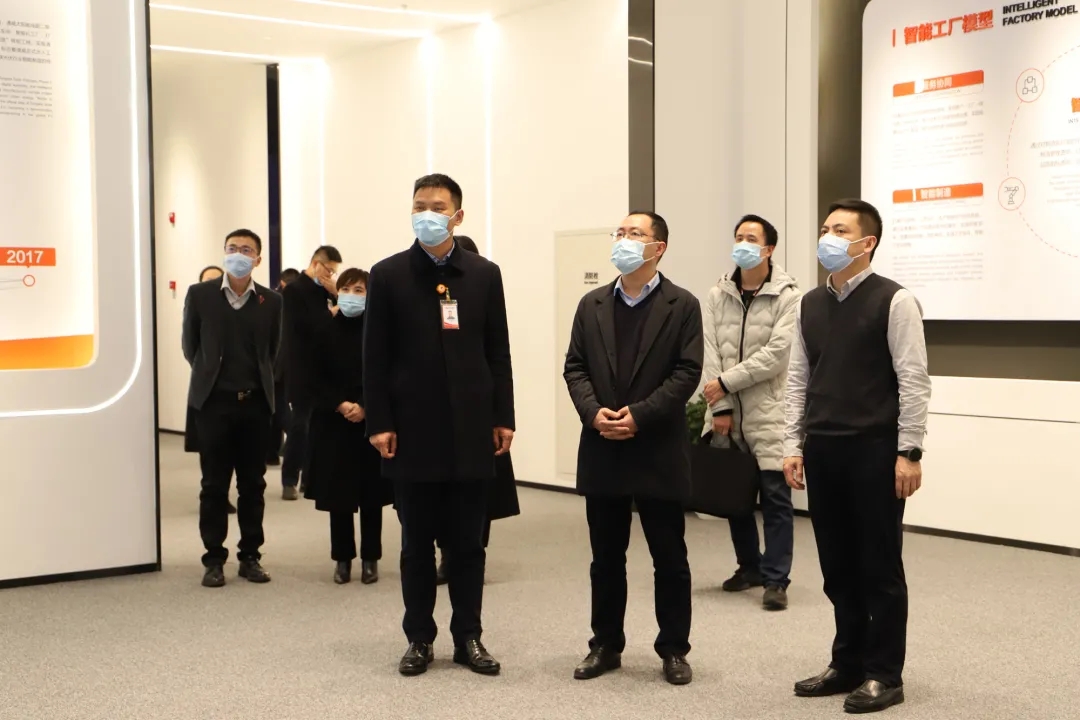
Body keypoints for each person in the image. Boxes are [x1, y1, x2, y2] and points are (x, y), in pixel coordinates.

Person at [363, 174, 515, 677]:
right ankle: (419, 639)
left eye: (438, 206)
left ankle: (469, 637)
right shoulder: (387, 275)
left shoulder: (484, 274)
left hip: (472, 429)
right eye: (419, 206)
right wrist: (379, 421)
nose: (427, 214)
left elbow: (498, 351)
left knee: (469, 544)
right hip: (411, 431)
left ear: (458, 216)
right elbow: (374, 358)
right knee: (416, 545)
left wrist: (503, 416)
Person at [783, 199, 930, 714]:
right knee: (837, 566)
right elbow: (798, 379)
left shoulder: (895, 300)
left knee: (879, 567)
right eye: (825, 228)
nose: (827, 236)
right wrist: (792, 444)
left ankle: (884, 673)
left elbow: (913, 380)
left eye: (840, 230)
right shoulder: (808, 305)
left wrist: (909, 451)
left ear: (867, 243)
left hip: (874, 450)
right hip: (823, 448)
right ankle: (846, 662)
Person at [563, 211, 703, 686]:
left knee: (670, 558)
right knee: (605, 558)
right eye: (620, 233)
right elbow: (575, 367)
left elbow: (687, 372)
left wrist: (639, 415)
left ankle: (674, 649)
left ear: (658, 247)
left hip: (657, 447)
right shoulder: (592, 303)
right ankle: (605, 645)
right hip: (602, 444)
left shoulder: (682, 305)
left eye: (635, 233)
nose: (623, 239)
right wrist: (593, 413)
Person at [701, 214, 799, 610]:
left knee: (776, 500)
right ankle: (749, 567)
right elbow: (709, 352)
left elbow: (778, 355)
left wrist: (727, 383)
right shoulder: (717, 294)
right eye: (738, 236)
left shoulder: (789, 296)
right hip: (727, 412)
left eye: (751, 238)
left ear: (769, 249)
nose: (743, 243)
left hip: (771, 411)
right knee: (735, 496)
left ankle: (776, 580)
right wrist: (720, 404)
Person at [182, 229, 282, 587]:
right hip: (214, 405)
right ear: (224, 253)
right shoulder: (200, 295)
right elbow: (191, 347)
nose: (239, 254)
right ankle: (213, 558)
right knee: (213, 485)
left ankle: (250, 556)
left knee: (253, 485)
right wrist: (212, 375)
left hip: (255, 405)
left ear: (258, 259)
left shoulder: (271, 301)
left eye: (246, 250)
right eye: (232, 248)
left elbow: (272, 351)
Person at [433, 235, 521, 586]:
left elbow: (499, 358)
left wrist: (503, 417)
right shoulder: (430, 299)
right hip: (439, 415)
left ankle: (473, 556)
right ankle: (446, 554)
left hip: (479, 414)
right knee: (441, 493)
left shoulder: (483, 294)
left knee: (481, 497)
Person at [303, 268, 393, 585]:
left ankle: (371, 559)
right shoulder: (322, 330)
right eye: (346, 289)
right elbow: (312, 378)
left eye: (359, 290)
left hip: (371, 422)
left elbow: (387, 374)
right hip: (333, 421)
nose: (351, 296)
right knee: (338, 495)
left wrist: (365, 405)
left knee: (371, 496)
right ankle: (342, 559)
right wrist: (340, 404)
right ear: (336, 292)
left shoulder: (379, 333)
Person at [281, 248, 342, 500]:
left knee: (319, 427)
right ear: (316, 263)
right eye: (329, 270)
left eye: (334, 272)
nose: (330, 275)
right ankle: (289, 478)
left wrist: (336, 294)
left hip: (324, 367)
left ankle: (310, 478)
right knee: (300, 426)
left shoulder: (325, 291)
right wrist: (332, 311)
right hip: (301, 367)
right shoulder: (293, 290)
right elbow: (303, 327)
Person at [184, 265, 237, 515]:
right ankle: (215, 496)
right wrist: (205, 368)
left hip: (237, 391)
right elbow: (190, 345)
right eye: (208, 280)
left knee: (234, 452)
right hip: (207, 392)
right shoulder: (197, 302)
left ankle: (224, 494)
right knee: (211, 452)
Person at [267, 268, 301, 468]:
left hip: (277, 364)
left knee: (278, 409)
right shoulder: (296, 302)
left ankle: (299, 444)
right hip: (288, 363)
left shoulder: (276, 301)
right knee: (276, 408)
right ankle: (271, 452)